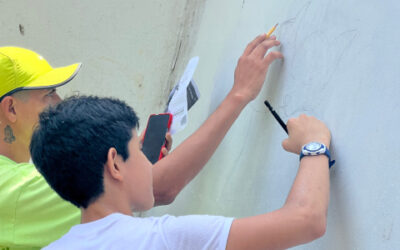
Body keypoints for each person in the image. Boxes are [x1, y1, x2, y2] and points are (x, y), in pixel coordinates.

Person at [0, 33, 283, 248]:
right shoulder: (12, 190)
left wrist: (132, 154)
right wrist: (238, 95)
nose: (59, 102)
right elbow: (159, 188)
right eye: (49, 94)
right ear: (10, 108)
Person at [30, 95, 332, 249]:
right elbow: (306, 220)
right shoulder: (164, 238)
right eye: (138, 149)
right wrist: (314, 144)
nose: (150, 163)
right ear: (115, 164)